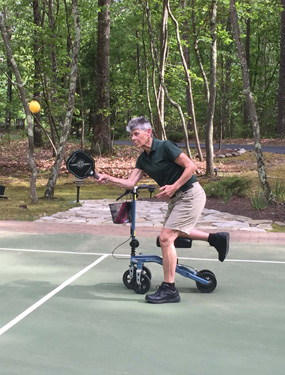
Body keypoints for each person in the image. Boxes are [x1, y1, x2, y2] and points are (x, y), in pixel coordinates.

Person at [95, 116, 229, 304]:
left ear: (148, 132)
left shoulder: (166, 147)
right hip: (176, 199)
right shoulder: (143, 159)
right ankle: (216, 238)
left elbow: (191, 166)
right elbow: (130, 183)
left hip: (190, 194)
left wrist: (174, 186)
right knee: (173, 235)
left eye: (136, 134)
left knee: (166, 238)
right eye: (131, 135)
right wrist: (108, 177)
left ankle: (169, 289)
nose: (133, 138)